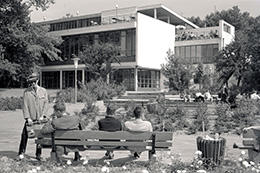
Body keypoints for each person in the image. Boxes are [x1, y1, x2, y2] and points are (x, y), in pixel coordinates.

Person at [18, 72, 49, 160]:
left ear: (38, 81)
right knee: (24, 136)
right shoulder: (26, 92)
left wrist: (43, 115)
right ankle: (21, 153)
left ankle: (38, 154)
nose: (33, 84)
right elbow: (25, 105)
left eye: (34, 82)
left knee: (40, 137)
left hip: (40, 119)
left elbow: (46, 104)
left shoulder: (43, 91)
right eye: (31, 82)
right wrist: (27, 118)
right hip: (30, 119)